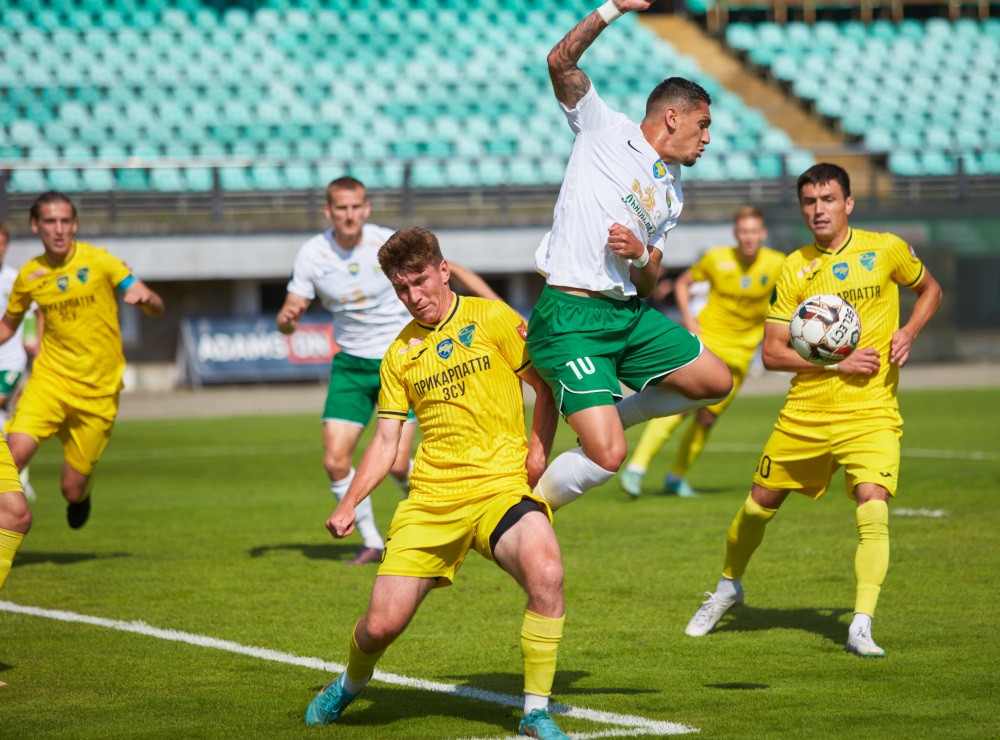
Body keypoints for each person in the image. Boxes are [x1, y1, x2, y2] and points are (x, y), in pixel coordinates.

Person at [303, 227, 570, 740]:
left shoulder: (491, 317)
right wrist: (350, 504)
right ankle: (348, 683)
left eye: (420, 282)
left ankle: (534, 713)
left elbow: (543, 385)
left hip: (500, 488)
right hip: (431, 501)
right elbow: (386, 443)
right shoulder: (399, 356)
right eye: (401, 289)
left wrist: (538, 450)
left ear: (443, 270)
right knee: (381, 627)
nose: (413, 297)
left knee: (547, 572)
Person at [684, 163, 943, 658]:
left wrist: (908, 332)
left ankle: (861, 624)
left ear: (848, 203)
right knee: (758, 506)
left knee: (873, 502)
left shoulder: (885, 248)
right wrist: (838, 366)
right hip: (806, 410)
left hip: (872, 410)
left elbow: (929, 289)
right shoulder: (793, 266)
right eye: (809, 202)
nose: (818, 210)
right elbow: (772, 353)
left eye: (828, 200)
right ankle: (728, 587)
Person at [527, 0, 734, 511]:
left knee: (715, 381)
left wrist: (643, 255)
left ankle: (612, 416)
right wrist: (614, 7)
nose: (707, 138)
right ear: (672, 116)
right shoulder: (604, 128)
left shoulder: (673, 189)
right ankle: (526, 511)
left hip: (627, 312)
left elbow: (648, 282)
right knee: (606, 458)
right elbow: (559, 63)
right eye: (702, 125)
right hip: (571, 316)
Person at [277, 177, 504, 565]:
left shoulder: (387, 244)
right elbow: (290, 310)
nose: (349, 215)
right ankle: (371, 541)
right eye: (341, 208)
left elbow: (453, 268)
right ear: (329, 211)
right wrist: (287, 318)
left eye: (355, 207)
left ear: (366, 208)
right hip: (350, 363)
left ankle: (444, 511)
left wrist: (496, 305)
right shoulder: (312, 253)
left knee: (398, 462)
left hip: (401, 359)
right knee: (334, 460)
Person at [0, 192, 164, 539]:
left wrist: (147, 301)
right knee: (10, 459)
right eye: (49, 222)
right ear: (35, 226)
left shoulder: (101, 261)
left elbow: (154, 302)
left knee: (71, 490)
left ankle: (82, 496)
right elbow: (7, 326)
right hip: (49, 383)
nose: (58, 230)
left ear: (75, 224)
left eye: (65, 221)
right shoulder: (30, 275)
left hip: (98, 394)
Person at [620, 206, 786, 497]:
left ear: (763, 234)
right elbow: (683, 284)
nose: (749, 238)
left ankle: (676, 477)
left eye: (754, 232)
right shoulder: (716, 258)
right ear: (736, 234)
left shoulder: (778, 264)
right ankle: (637, 468)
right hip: (709, 344)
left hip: (742, 353)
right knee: (680, 407)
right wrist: (688, 318)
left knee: (708, 418)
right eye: (744, 232)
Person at [0, 221, 41, 501]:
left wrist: (35, 341)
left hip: (11, 360)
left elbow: (38, 311)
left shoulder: (15, 279)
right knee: (6, 420)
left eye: (0, 242)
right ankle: (18, 476)